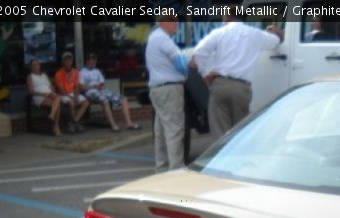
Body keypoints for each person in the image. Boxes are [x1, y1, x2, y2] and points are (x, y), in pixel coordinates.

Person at [192, 7, 283, 139]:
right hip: (242, 88)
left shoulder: (219, 33)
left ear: (228, 17)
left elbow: (199, 51)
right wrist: (278, 33)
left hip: (220, 84)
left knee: (220, 133)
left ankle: (222, 158)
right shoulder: (255, 34)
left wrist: (205, 74)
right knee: (240, 133)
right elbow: (275, 42)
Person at [145, 16, 188, 171]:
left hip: (157, 88)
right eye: (174, 21)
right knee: (174, 129)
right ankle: (176, 168)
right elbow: (180, 61)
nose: (177, 24)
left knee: (161, 131)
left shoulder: (152, 38)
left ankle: (161, 167)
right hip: (170, 88)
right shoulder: (163, 39)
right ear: (164, 23)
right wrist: (187, 70)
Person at [79, 53, 141, 132]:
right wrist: (93, 87)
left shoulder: (97, 71)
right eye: (91, 60)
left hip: (101, 91)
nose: (93, 62)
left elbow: (102, 84)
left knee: (123, 99)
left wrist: (100, 87)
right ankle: (113, 125)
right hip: (90, 92)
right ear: (87, 61)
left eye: (94, 60)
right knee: (105, 101)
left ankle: (129, 123)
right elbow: (81, 87)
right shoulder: (82, 72)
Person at [54, 51, 89, 133]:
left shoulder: (75, 72)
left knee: (86, 102)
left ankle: (75, 121)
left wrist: (76, 96)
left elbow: (76, 86)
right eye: (66, 60)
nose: (68, 62)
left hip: (73, 93)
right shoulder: (59, 73)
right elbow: (60, 90)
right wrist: (71, 97)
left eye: (69, 60)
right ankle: (75, 123)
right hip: (63, 95)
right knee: (71, 103)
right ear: (62, 62)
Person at [26, 59, 61, 136]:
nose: (36, 67)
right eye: (34, 65)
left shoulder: (44, 75)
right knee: (57, 105)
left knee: (57, 97)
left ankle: (52, 115)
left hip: (50, 95)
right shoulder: (30, 77)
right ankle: (56, 126)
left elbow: (51, 87)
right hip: (39, 97)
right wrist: (43, 94)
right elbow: (30, 91)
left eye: (37, 65)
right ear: (31, 67)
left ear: (39, 66)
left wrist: (52, 92)